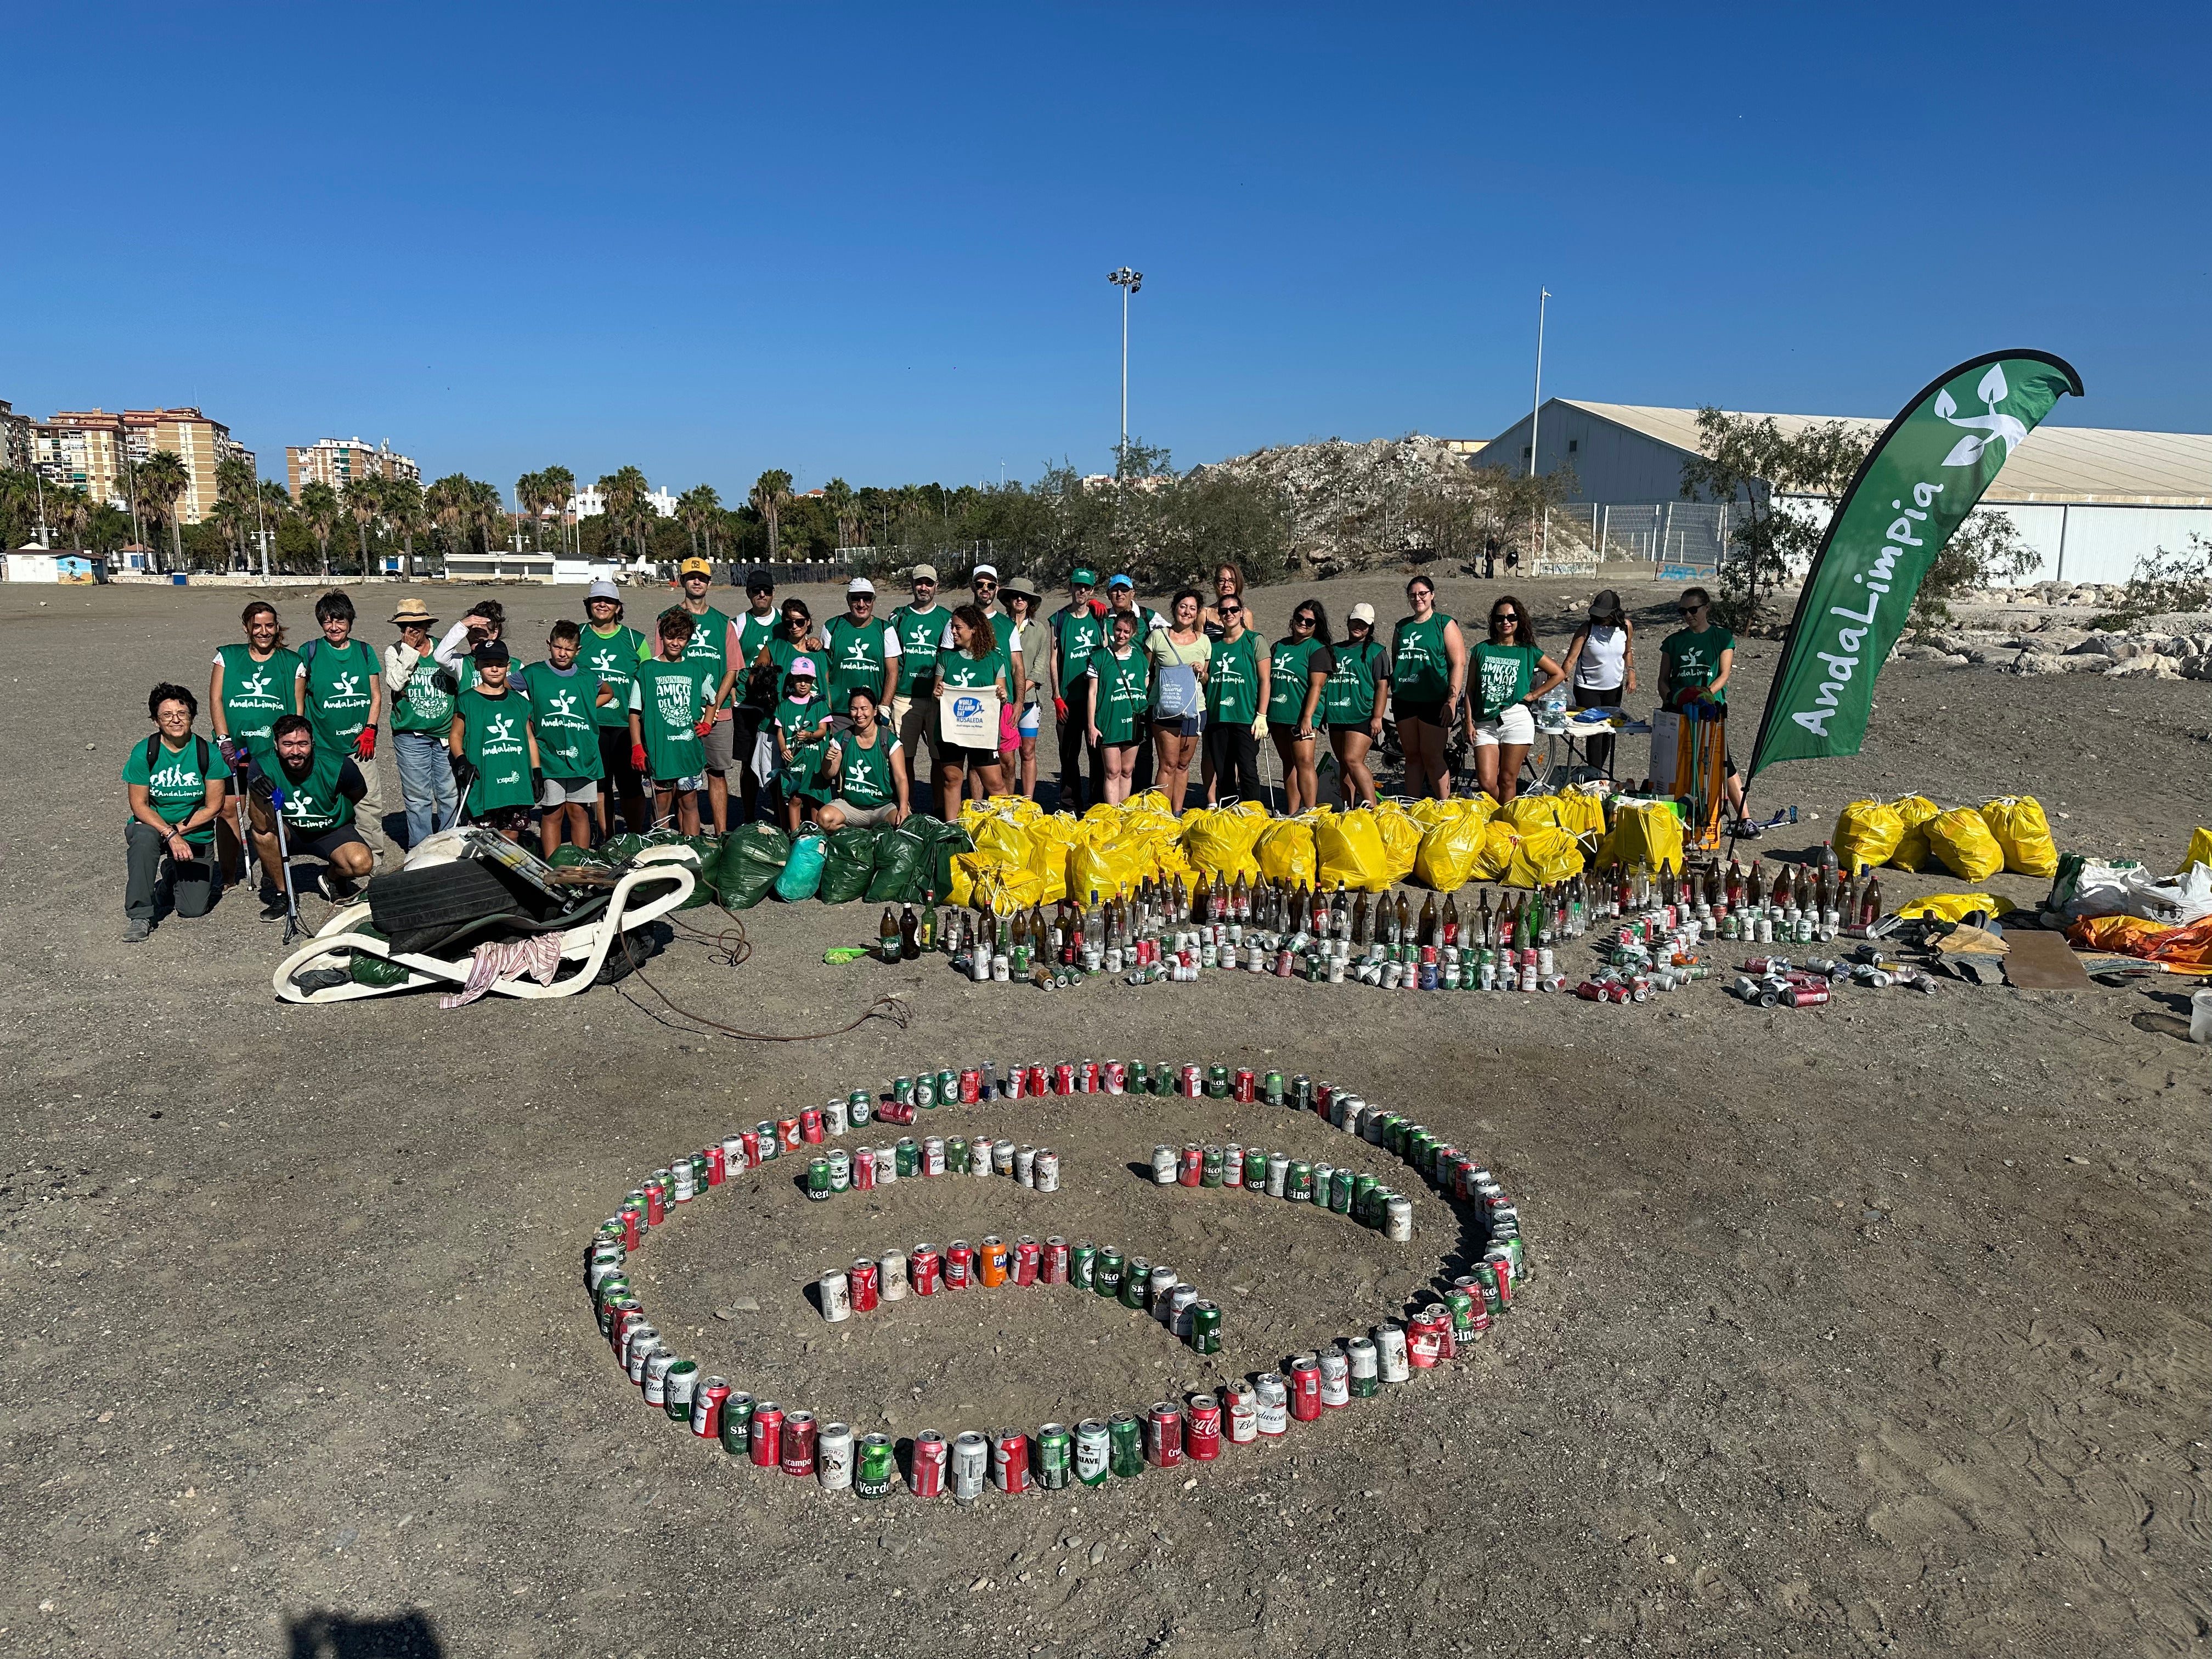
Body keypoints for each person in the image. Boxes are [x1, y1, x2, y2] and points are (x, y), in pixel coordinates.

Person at [122, 682, 232, 940]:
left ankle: (171, 874)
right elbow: (139, 805)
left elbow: (214, 806)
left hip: (193, 828)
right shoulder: (144, 752)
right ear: (156, 721)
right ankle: (140, 915)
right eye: (167, 715)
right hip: (153, 825)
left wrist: (178, 833)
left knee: (193, 910)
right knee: (143, 841)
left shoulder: (208, 753)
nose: (175, 720)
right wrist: (169, 835)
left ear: (192, 716)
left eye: (182, 714)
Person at [296, 590, 389, 867]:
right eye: (327, 621)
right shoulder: (309, 652)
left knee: (369, 803)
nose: (334, 627)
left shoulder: (364, 651)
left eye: (340, 621)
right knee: (329, 805)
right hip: (323, 748)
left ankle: (373, 860)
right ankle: (338, 857)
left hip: (360, 746)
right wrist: (303, 738)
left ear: (350, 620)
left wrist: (371, 729)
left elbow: (376, 695)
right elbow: (300, 700)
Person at [208, 600, 301, 879]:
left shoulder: (292, 662)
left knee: (265, 811)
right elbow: (217, 699)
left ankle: (274, 869)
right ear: (247, 627)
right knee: (226, 809)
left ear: (277, 627)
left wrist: (290, 745)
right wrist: (224, 739)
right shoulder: (227, 657)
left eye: (269, 625)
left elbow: (297, 709)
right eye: (257, 626)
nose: (264, 631)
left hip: (269, 751)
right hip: (234, 748)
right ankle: (228, 872)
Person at [249, 713, 374, 915]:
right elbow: (260, 823)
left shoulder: (338, 765)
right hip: (289, 828)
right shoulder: (261, 766)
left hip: (331, 829)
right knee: (261, 833)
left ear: (312, 742)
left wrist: (334, 815)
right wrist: (256, 792)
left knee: (362, 863)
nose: (296, 751)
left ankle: (331, 878)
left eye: (302, 744)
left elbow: (358, 793)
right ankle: (285, 893)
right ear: (276, 744)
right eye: (288, 744)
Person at [522, 620, 616, 857]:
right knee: (552, 812)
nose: (562, 653)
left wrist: (587, 708)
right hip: (549, 756)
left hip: (583, 755)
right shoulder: (533, 672)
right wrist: (527, 715)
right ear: (549, 645)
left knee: (579, 811)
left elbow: (608, 692)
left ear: (578, 650)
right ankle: (552, 863)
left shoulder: (586, 675)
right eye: (557, 647)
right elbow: (506, 690)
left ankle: (581, 862)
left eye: (568, 649)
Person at [382, 596, 464, 850]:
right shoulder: (394, 651)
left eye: (417, 625)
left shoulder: (443, 651)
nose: (411, 630)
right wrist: (409, 651)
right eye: (405, 626)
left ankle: (449, 845)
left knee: (449, 794)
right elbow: (395, 683)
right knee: (418, 798)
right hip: (410, 735)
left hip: (445, 734)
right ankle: (421, 849)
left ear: (427, 625)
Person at [1467, 595, 1565, 806]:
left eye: (1511, 617)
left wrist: (1533, 695)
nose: (1506, 622)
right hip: (1485, 722)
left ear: (1519, 620)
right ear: (1493, 621)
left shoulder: (1527, 651)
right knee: (1486, 782)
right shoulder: (1481, 650)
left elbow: (1559, 673)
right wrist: (1468, 721)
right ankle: (1499, 812)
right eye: (1500, 618)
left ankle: (1505, 826)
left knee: (1508, 779)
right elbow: (1470, 689)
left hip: (1516, 719)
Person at [629, 608, 720, 835]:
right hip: (660, 753)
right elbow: (634, 712)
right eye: (671, 637)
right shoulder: (647, 669)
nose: (676, 643)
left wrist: (707, 724)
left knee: (689, 804)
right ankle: (661, 852)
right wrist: (637, 746)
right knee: (661, 807)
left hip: (687, 752)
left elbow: (712, 699)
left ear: (689, 639)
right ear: (662, 635)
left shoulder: (695, 669)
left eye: (682, 638)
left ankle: (691, 850)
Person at [1656, 586, 1745, 817]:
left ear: (1707, 608)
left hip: (1710, 709)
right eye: (1682, 611)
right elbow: (1663, 680)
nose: (1688, 616)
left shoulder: (1722, 637)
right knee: (1680, 762)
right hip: (1680, 710)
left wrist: (1704, 694)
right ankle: (1682, 814)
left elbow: (1724, 675)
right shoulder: (1673, 642)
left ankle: (1744, 817)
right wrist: (1672, 698)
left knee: (1722, 760)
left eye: (1693, 609)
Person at [938, 565, 1022, 802]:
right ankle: (975, 808)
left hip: (996, 707)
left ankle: (1005, 817)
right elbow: (945, 664)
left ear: (997, 589)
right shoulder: (954, 623)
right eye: (980, 584)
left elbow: (1017, 666)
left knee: (1004, 763)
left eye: (991, 585)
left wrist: (1017, 702)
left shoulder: (1007, 626)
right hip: (959, 713)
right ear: (973, 586)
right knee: (964, 771)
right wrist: (940, 691)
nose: (985, 589)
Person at [673, 556, 743, 833]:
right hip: (679, 711)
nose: (697, 581)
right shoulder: (668, 618)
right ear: (682, 581)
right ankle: (686, 835)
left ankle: (720, 834)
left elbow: (732, 669)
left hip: (719, 713)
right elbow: (660, 664)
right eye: (691, 577)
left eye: (701, 578)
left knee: (717, 772)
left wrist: (714, 708)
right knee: (681, 777)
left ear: (709, 583)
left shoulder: (723, 622)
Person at [448, 641, 541, 842]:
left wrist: (536, 772)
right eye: (487, 664)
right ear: (477, 665)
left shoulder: (520, 702)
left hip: (514, 781)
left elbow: (529, 738)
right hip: (484, 781)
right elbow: (455, 735)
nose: (494, 669)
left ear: (508, 666)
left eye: (499, 664)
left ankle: (508, 873)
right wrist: (462, 760)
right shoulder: (467, 700)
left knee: (511, 835)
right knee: (482, 839)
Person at [578, 579, 649, 836]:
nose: (602, 605)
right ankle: (607, 837)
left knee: (631, 785)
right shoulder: (578, 636)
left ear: (618, 607)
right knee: (601, 785)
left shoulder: (635, 639)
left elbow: (647, 680)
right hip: (591, 724)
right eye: (597, 600)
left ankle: (634, 836)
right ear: (589, 605)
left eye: (609, 601)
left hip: (626, 724)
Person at [1390, 575, 1467, 800]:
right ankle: (1412, 806)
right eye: (1413, 595)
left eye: (1423, 593)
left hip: (1434, 700)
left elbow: (1458, 663)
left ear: (1432, 595)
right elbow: (1398, 660)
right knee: (1412, 756)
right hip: (1405, 700)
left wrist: (1451, 701)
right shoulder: (1402, 627)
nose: (1418, 599)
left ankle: (1444, 806)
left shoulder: (1444, 623)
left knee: (1433, 756)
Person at [933, 603, 1012, 817]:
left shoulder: (995, 660)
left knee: (995, 784)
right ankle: (953, 831)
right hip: (951, 732)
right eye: (952, 627)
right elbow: (937, 692)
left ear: (974, 629)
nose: (953, 632)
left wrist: (1003, 697)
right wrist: (938, 692)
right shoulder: (946, 658)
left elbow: (1001, 695)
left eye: (958, 627)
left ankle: (1009, 828)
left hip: (981, 733)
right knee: (952, 779)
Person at [888, 565, 950, 808]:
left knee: (939, 759)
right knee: (904, 758)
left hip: (936, 699)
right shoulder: (899, 617)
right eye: (919, 583)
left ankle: (938, 809)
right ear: (912, 585)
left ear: (936, 586)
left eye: (929, 583)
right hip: (904, 697)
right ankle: (906, 808)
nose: (923, 588)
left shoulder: (946, 618)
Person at [1559, 588, 1635, 779]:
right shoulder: (1587, 629)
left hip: (1614, 688)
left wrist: (1631, 673)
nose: (1601, 619)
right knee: (1595, 731)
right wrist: (1562, 676)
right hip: (1587, 688)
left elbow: (1627, 652)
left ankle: (1599, 772)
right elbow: (1571, 659)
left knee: (1609, 729)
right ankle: (1595, 774)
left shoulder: (1626, 627)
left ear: (1615, 614)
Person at [1047, 566, 1107, 811]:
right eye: (1077, 586)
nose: (1081, 591)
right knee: (1068, 756)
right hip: (1068, 700)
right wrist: (1056, 696)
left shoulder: (1099, 618)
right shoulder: (1059, 619)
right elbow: (1053, 659)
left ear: (1092, 590)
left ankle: (1096, 804)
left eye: (1086, 587)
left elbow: (1106, 651)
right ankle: (1070, 805)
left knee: (1097, 755)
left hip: (1094, 699)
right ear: (1070, 587)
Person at [1147, 589, 1211, 814]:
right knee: (1168, 764)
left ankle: (1177, 812)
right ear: (1175, 608)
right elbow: (1147, 672)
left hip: (1195, 709)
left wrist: (1201, 672)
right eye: (1183, 606)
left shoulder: (1204, 641)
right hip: (1165, 709)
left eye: (1192, 608)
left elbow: (1206, 679)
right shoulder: (1158, 637)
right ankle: (1161, 815)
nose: (1187, 612)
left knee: (1183, 765)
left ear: (1197, 613)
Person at [1203, 591, 1269, 804]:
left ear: (1241, 613)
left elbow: (1265, 681)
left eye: (1234, 610)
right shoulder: (1212, 644)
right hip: (1218, 717)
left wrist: (1262, 715)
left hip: (1245, 717)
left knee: (1248, 769)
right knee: (1223, 773)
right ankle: (1230, 813)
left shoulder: (1254, 640)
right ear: (1219, 615)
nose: (1229, 614)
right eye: (1224, 611)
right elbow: (1206, 679)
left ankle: (1252, 815)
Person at [1266, 601, 1333, 814]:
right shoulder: (1279, 646)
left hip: (1301, 718)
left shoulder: (1317, 650)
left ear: (1317, 625)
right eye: (1300, 618)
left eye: (1309, 621)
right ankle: (1293, 812)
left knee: (1305, 762)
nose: (1303, 623)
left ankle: (1310, 810)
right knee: (1288, 763)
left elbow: (1317, 686)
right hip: (1278, 716)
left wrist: (1308, 718)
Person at [1324, 602, 1390, 809]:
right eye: (1355, 621)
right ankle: (1349, 809)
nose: (1358, 626)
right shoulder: (1334, 650)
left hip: (1361, 715)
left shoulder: (1377, 652)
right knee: (1344, 765)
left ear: (1370, 627)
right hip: (1336, 715)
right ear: (1348, 621)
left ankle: (1372, 808)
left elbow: (1382, 686)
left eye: (1364, 624)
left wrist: (1378, 717)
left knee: (1352, 759)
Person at [816, 687, 911, 832]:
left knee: (905, 823)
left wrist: (904, 808)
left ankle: (869, 835)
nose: (859, 714)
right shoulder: (842, 739)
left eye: (864, 709)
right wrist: (828, 759)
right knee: (824, 818)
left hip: (884, 807)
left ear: (874, 711)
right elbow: (828, 774)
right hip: (851, 807)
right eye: (854, 709)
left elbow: (901, 778)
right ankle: (858, 836)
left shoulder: (890, 741)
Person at [731, 569, 782, 823]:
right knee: (748, 764)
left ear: (773, 593)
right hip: (746, 703)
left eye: (767, 590)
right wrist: (731, 691)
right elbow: (729, 662)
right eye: (756, 591)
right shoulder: (738, 623)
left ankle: (780, 816)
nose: (762, 595)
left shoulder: (785, 622)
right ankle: (749, 818)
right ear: (748, 593)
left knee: (777, 760)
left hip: (776, 705)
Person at [1085, 608, 1150, 806]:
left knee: (1127, 770)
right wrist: (1091, 725)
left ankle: (1123, 813)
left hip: (1133, 722)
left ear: (1134, 634)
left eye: (1127, 632)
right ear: (1113, 629)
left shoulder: (1140, 658)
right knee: (1112, 771)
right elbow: (1092, 693)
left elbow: (1145, 684)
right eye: (1119, 630)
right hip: (1109, 720)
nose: (1122, 635)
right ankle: (1113, 814)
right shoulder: (1099, 658)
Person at [821, 577, 902, 718]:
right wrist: (826, 709)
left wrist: (884, 706)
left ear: (874, 601)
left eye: (867, 599)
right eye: (855, 599)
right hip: (838, 711)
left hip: (873, 711)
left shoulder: (885, 630)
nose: (861, 604)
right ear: (848, 600)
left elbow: (893, 672)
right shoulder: (832, 627)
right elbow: (823, 672)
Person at [772, 656, 835, 832]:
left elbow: (824, 730)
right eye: (799, 679)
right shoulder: (784, 706)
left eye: (807, 680)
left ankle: (816, 834)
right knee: (795, 798)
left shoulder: (819, 704)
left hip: (814, 759)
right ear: (792, 679)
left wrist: (809, 735)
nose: (803, 684)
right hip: (795, 759)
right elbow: (780, 731)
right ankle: (794, 834)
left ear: (813, 681)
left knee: (815, 798)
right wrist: (784, 748)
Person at [1003, 576, 1052, 799]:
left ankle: (1028, 800)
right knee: (1006, 754)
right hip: (1002, 701)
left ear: (1030, 602)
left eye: (1024, 597)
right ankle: (1006, 798)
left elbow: (1040, 668)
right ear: (1009, 600)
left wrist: (1019, 693)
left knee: (1028, 751)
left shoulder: (1040, 630)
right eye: (1015, 596)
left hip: (1030, 702)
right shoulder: (999, 627)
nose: (1019, 599)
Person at [1199, 561, 1246, 639]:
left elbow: (1250, 645)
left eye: (1231, 581)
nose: (1226, 585)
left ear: (1238, 584)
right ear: (1216, 584)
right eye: (1222, 581)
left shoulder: (1245, 614)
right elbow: (1198, 645)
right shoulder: (1204, 614)